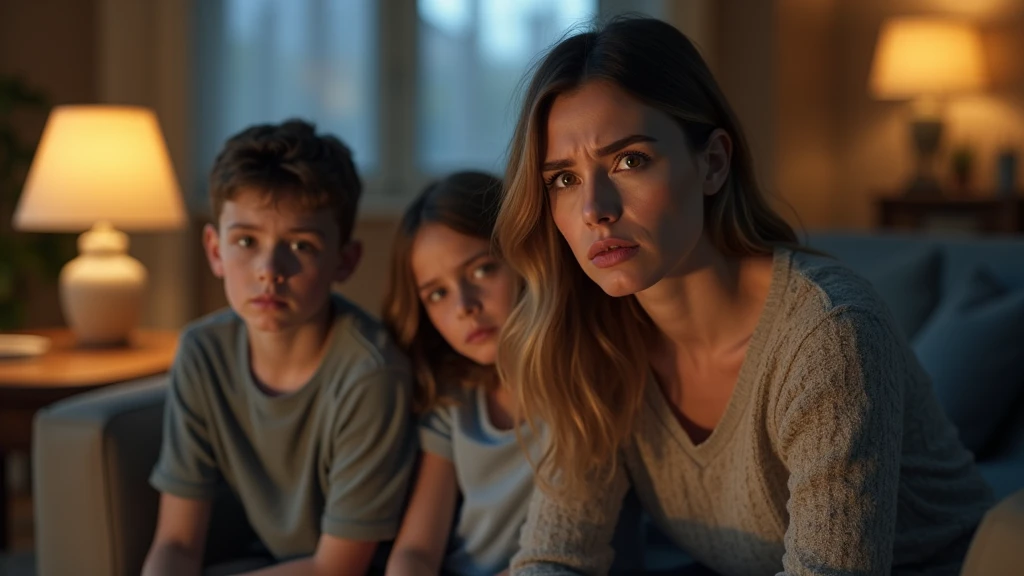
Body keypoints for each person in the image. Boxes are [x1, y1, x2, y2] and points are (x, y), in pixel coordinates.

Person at [494, 16, 995, 576]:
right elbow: (558, 554)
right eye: (563, 179)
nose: (594, 210)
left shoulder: (829, 333)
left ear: (712, 163)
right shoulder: (593, 338)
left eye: (630, 160)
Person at [142, 120, 417, 576]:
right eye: (246, 241)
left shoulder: (371, 372)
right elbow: (176, 542)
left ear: (344, 260)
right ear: (215, 250)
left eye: (301, 245)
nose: (270, 269)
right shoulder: (202, 351)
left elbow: (337, 568)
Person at [381, 172, 644, 576]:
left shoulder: (590, 389)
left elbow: (560, 554)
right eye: (438, 293)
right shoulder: (454, 403)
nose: (465, 305)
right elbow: (416, 550)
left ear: (527, 256)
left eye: (482, 270)